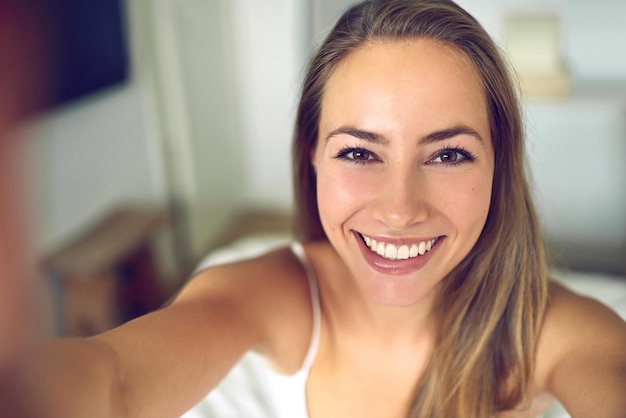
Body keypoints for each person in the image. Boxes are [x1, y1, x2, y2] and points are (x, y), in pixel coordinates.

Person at [2, 0, 625, 417]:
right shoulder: (273, 292)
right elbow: (115, 380)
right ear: (311, 159)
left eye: (448, 155)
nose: (400, 209)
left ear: (500, 166)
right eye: (359, 152)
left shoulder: (555, 333)